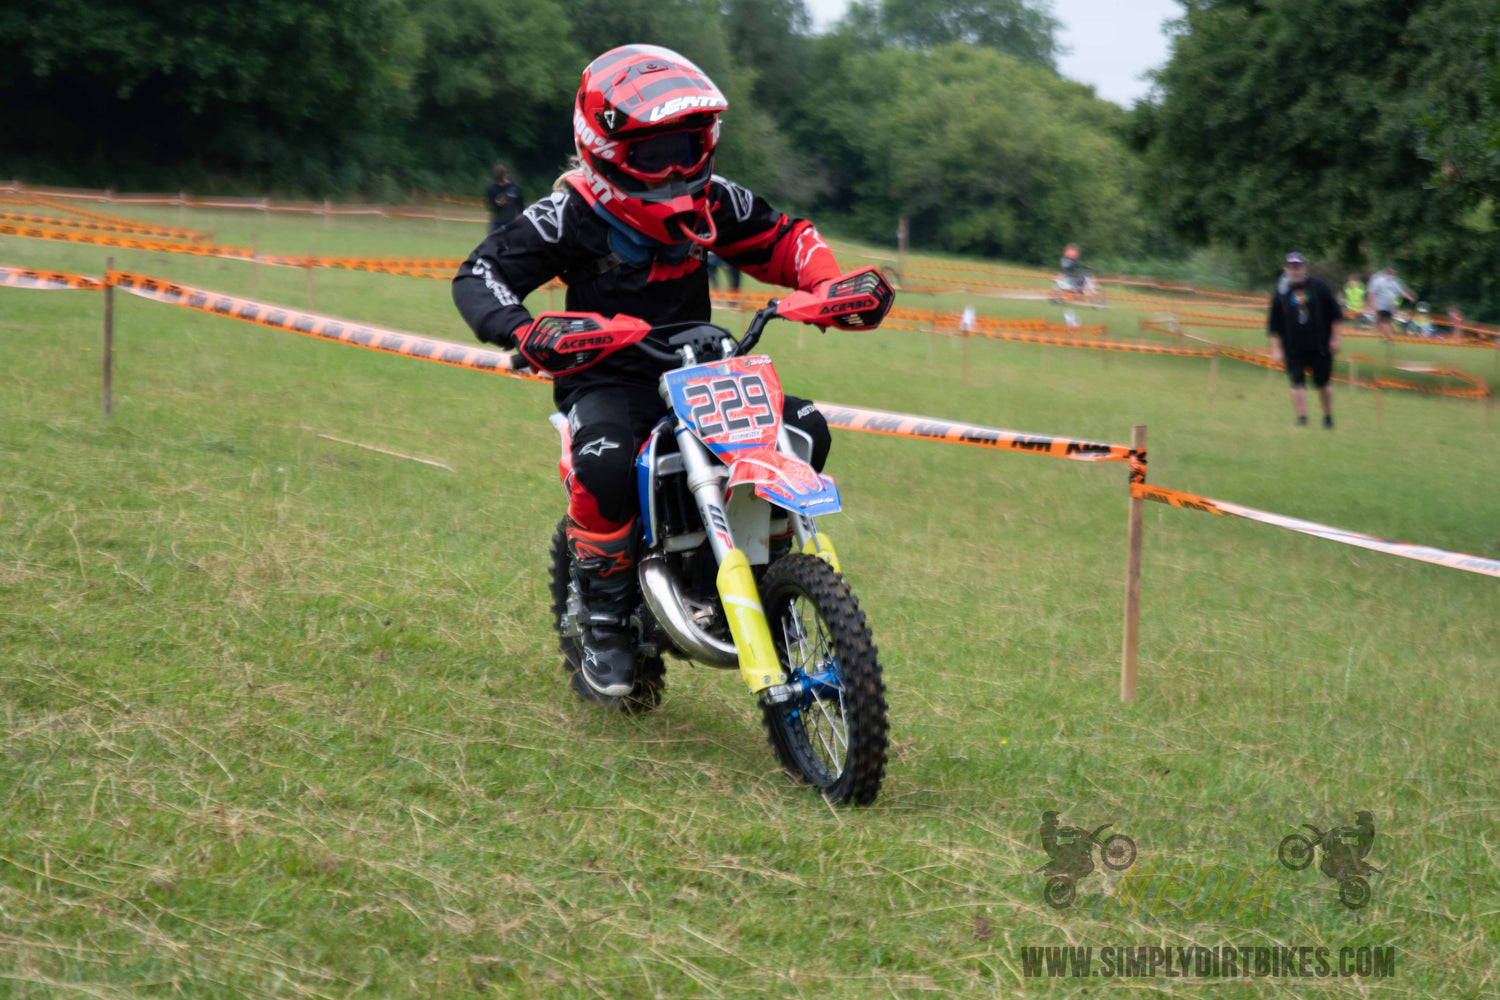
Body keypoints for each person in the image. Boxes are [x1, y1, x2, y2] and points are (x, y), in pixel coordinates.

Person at [452, 44, 844, 698]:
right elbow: (481, 272)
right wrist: (523, 330)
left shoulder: (714, 199)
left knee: (805, 428)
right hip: (608, 376)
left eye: (689, 146)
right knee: (604, 463)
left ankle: (766, 569)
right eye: (655, 153)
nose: (677, 169)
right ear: (605, 150)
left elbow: (782, 239)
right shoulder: (571, 213)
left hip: (706, 371)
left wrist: (828, 283)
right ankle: (604, 624)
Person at [1267, 252, 1342, 428]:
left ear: (1305, 267)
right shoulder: (1281, 292)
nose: (1295, 270)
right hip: (1293, 347)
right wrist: (1276, 350)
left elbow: (1335, 316)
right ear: (1286, 269)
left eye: (1298, 266)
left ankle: (1327, 417)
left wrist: (1335, 339)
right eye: (1291, 267)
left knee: (1323, 383)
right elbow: (1273, 324)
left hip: (1320, 346)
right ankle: (1302, 419)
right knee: (1296, 381)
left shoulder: (1319, 287)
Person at [1366, 265, 1414, 339]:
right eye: (1392, 274)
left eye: (1394, 274)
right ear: (1387, 273)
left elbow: (1401, 292)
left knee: (1386, 322)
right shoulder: (1379, 281)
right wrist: (1371, 304)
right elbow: (1371, 292)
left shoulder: (1394, 283)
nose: (1393, 276)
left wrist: (1409, 297)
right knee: (1383, 322)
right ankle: (1387, 336)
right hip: (1381, 306)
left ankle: (1386, 336)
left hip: (1389, 307)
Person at [484, 163, 524, 233]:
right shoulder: (492, 188)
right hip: (496, 223)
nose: (501, 184)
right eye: (499, 182)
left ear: (505, 175)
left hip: (511, 223)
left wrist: (520, 220)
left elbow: (521, 206)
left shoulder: (515, 188)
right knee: (493, 243)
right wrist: (497, 204)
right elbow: (489, 205)